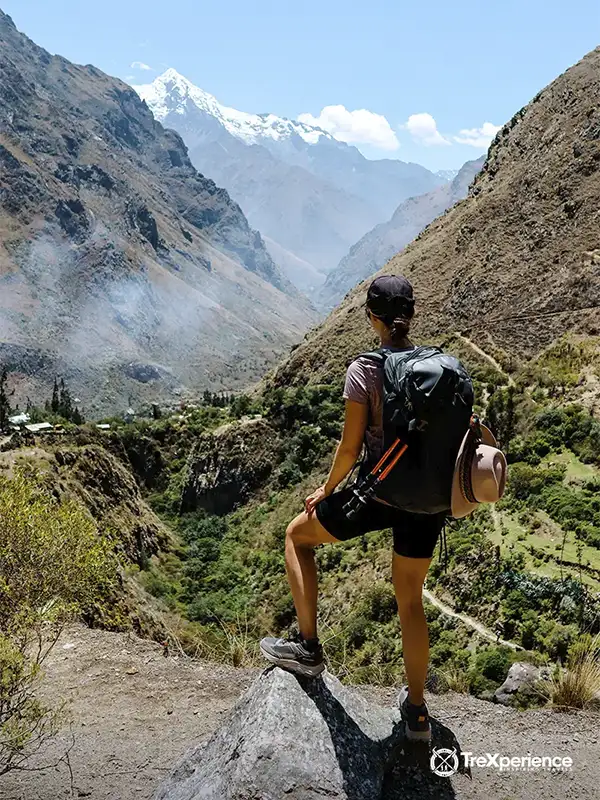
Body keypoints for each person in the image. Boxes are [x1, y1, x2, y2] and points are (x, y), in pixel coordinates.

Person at [260, 275, 447, 742]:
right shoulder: (436, 364)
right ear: (410, 315)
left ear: (371, 318)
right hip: (427, 501)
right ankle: (418, 714)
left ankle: (307, 648)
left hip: (378, 493)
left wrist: (325, 490)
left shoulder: (364, 370)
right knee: (410, 602)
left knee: (295, 535)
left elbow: (348, 449)